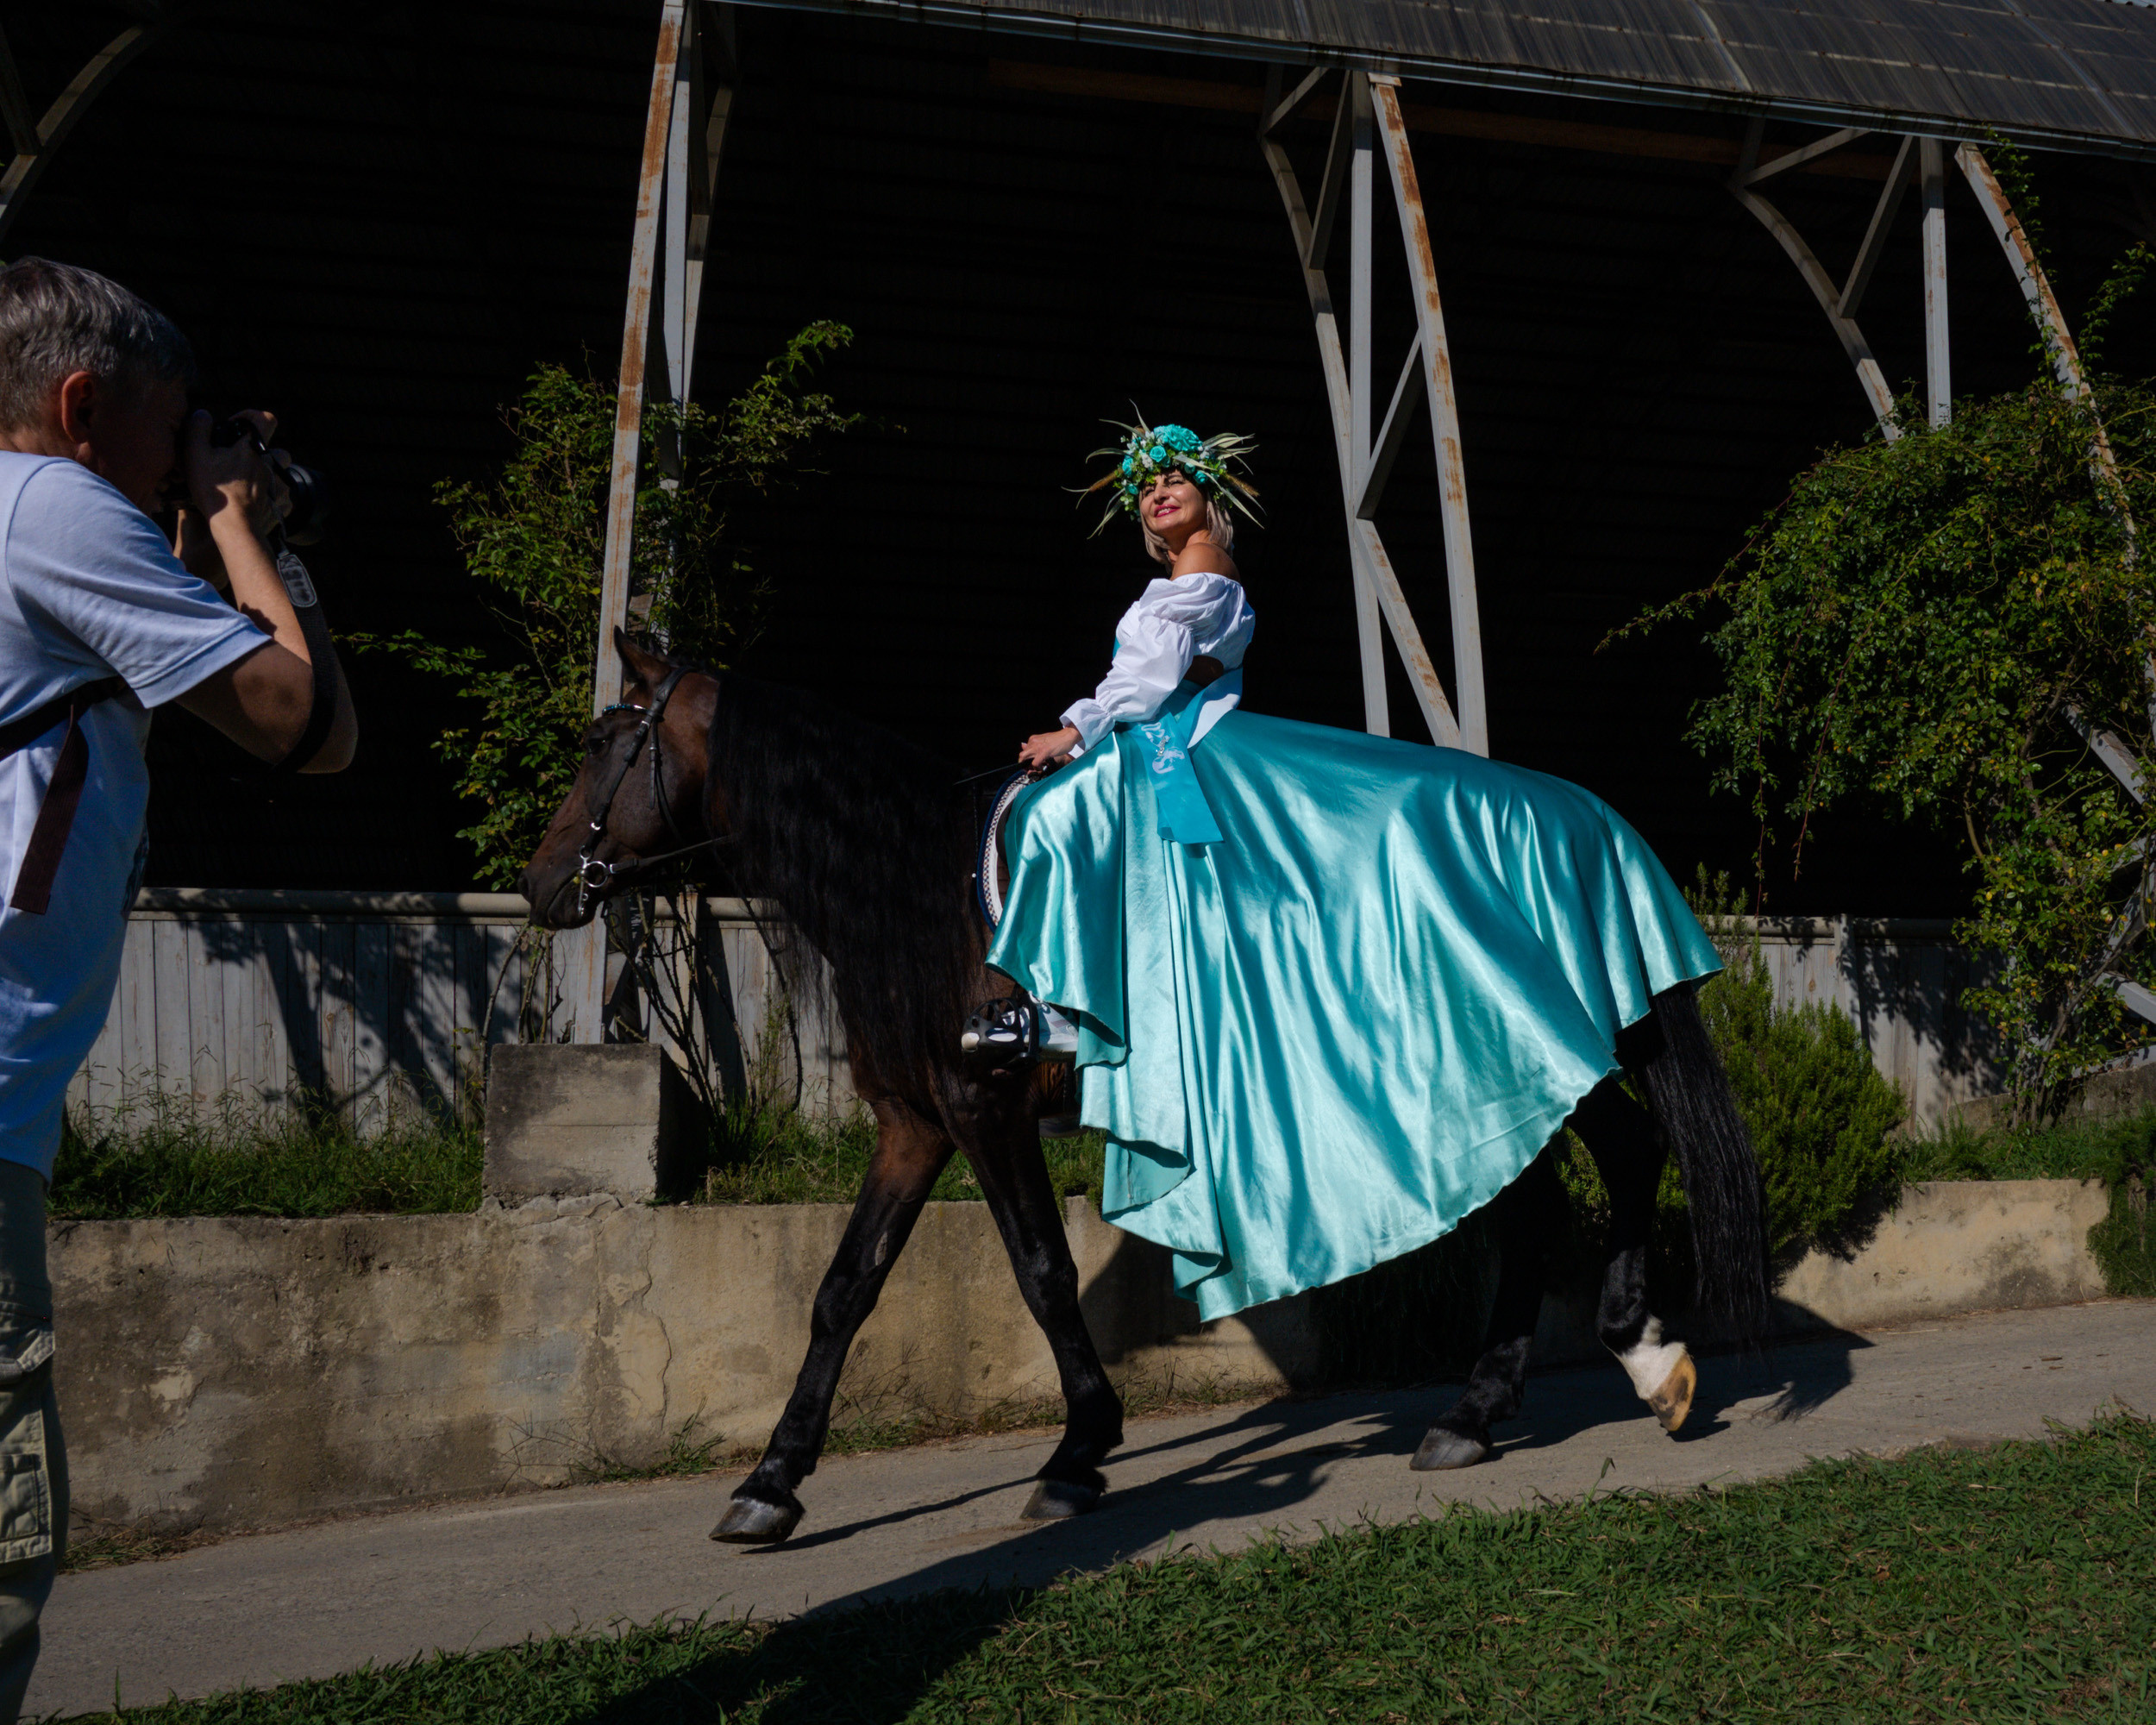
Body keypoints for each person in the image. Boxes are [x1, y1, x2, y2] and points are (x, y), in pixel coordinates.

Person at [975, 416, 1719, 1323]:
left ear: (1209, 492)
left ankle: (1052, 1019)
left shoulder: (1199, 578)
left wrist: (1073, 729)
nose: (1156, 490)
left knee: (1052, 817)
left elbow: (1147, 684)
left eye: (1173, 476)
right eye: (1143, 484)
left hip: (1184, 748)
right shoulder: (1174, 577)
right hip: (1173, 752)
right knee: (1055, 811)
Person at [0, 256, 357, 1720]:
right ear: (81, 405)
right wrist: (235, 527)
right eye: (166, 427)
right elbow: (305, 723)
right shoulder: (55, 505)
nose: (176, 456)